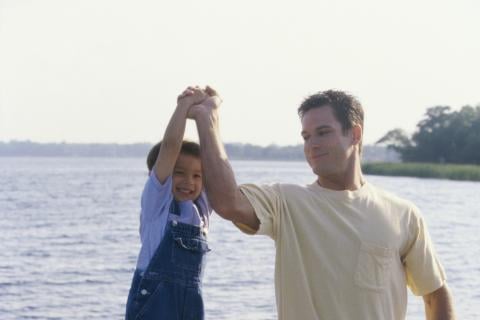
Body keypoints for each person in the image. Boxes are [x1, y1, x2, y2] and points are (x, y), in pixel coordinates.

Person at [187, 88, 456, 319]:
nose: (312, 145)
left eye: (323, 132)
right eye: (306, 136)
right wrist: (208, 120)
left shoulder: (403, 214)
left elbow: (435, 295)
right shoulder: (285, 202)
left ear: (355, 134)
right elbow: (227, 202)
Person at [125, 87, 212, 320]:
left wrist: (210, 114)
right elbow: (171, 148)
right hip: (155, 302)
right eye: (179, 173)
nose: (189, 182)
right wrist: (183, 106)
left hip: (191, 303)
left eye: (196, 176)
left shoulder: (201, 210)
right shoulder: (157, 205)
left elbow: (214, 161)